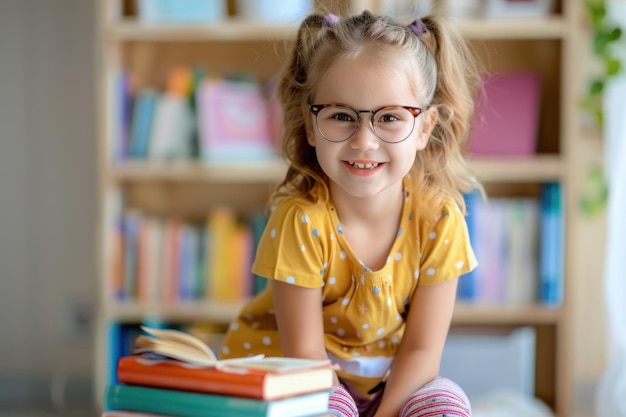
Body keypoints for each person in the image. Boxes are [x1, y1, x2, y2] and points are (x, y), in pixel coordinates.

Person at [219, 9, 483, 417]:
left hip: (392, 384)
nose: (364, 141)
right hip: (301, 376)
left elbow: (422, 349)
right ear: (310, 125)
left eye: (391, 117)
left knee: (447, 402)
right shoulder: (300, 220)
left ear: (425, 128)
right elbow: (304, 354)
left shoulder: (440, 220)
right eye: (341, 116)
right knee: (328, 408)